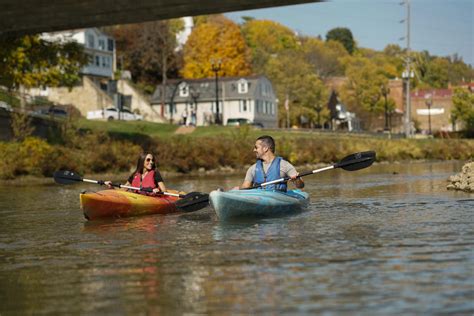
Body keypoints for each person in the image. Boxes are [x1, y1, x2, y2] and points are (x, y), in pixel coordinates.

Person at [233, 135, 304, 191]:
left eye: (256, 147)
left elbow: (300, 186)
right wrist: (238, 190)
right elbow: (245, 187)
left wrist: (297, 180)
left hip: (278, 199)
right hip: (258, 199)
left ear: (265, 148)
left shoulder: (284, 165)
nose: (254, 150)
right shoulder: (253, 169)